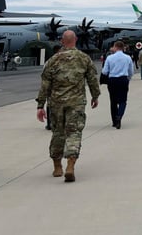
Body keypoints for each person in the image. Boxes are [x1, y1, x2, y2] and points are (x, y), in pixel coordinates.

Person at [35, 30, 100, 182]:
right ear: (75, 40)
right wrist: (95, 96)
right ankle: (70, 165)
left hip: (56, 103)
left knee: (58, 133)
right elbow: (92, 80)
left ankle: (57, 167)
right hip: (76, 103)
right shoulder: (84, 58)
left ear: (62, 41)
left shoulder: (53, 60)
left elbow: (44, 85)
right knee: (74, 133)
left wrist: (40, 105)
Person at [103, 41, 134, 129]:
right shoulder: (127, 58)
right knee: (123, 101)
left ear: (115, 47)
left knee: (113, 101)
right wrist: (128, 78)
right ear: (123, 47)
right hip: (123, 79)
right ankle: (119, 116)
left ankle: (114, 121)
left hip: (112, 80)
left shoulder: (110, 58)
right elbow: (131, 71)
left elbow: (105, 71)